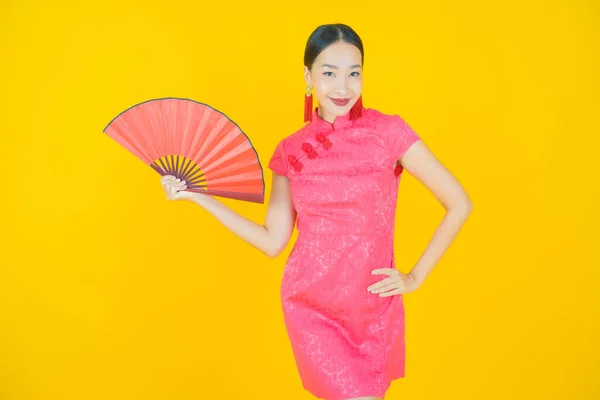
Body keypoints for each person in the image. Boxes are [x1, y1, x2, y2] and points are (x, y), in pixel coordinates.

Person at [160, 23, 473, 400]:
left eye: (353, 73)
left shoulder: (389, 133)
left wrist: (415, 277)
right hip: (310, 306)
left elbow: (459, 203)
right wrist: (199, 197)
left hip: (370, 305)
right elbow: (273, 241)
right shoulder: (290, 151)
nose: (342, 87)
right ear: (308, 76)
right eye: (329, 73)